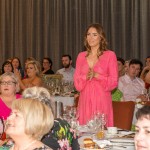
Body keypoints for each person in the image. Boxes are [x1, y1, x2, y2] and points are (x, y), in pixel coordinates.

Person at [74, 23, 118, 126]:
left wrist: (97, 75)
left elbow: (113, 82)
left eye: (94, 34)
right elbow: (77, 83)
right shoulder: (81, 56)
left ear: (101, 37)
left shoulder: (110, 55)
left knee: (101, 134)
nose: (90, 37)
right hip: (85, 99)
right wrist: (86, 76)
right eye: (88, 34)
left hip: (101, 99)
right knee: (84, 135)